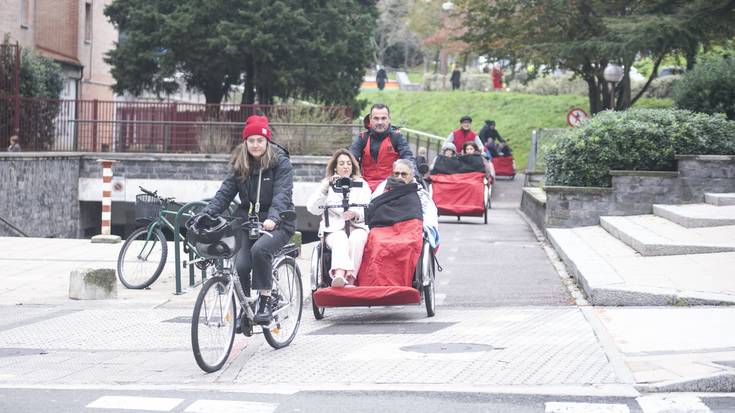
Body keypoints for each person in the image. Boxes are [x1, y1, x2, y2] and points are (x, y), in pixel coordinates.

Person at [201, 115, 295, 325]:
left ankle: (264, 299)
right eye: (251, 140)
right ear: (245, 142)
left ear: (267, 141)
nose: (255, 145)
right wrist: (207, 213)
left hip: (279, 221)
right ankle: (246, 308)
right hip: (248, 222)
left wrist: (273, 217)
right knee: (241, 264)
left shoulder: (281, 163)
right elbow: (225, 193)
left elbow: (282, 195)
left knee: (259, 250)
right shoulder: (240, 164)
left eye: (260, 140)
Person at [306, 149, 372, 288]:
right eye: (341, 163)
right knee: (340, 239)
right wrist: (325, 188)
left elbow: (368, 209)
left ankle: (351, 279)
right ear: (335, 166)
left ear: (353, 166)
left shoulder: (362, 184)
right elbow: (312, 208)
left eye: (348, 163)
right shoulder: (327, 184)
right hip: (334, 228)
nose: (346, 166)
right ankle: (339, 275)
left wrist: (355, 214)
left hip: (357, 226)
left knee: (357, 239)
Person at [373, 159, 439, 248]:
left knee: (410, 242)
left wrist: (425, 228)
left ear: (411, 176)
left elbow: (429, 215)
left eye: (404, 174)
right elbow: (373, 204)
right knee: (374, 239)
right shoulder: (382, 189)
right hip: (384, 226)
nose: (399, 177)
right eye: (396, 174)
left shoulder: (420, 193)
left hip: (409, 228)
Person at [349, 103, 415, 191]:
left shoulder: (397, 137)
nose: (380, 122)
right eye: (376, 118)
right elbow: (350, 158)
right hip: (364, 187)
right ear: (370, 120)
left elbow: (408, 158)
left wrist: (415, 177)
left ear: (389, 120)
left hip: (391, 187)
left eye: (383, 118)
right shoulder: (362, 138)